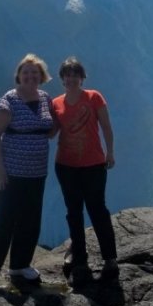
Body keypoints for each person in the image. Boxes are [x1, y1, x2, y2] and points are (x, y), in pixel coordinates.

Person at [0, 53, 54, 287]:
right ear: (18, 76)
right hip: (10, 173)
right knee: (3, 219)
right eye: (25, 72)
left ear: (41, 76)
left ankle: (20, 265)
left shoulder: (44, 98)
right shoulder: (9, 99)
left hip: (36, 172)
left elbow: (49, 129)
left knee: (30, 220)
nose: (30, 76)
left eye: (34, 72)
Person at [53, 56, 118, 284]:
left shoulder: (93, 97)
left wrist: (110, 152)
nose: (71, 78)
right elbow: (51, 132)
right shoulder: (56, 103)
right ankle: (79, 256)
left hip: (93, 165)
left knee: (97, 210)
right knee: (73, 211)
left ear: (82, 77)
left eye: (75, 74)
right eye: (67, 74)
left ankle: (110, 258)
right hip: (66, 165)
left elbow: (106, 127)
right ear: (62, 78)